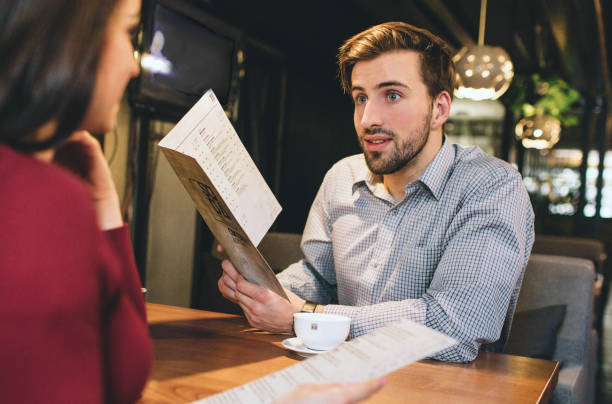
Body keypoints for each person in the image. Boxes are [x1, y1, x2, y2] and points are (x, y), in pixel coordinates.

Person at [0, 0, 384, 402]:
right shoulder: (45, 199)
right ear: (68, 40)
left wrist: (107, 213)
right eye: (129, 34)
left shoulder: (58, 194)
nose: (135, 65)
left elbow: (122, 372)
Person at [218, 22, 535, 363]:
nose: (368, 118)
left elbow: (455, 328)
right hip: (339, 375)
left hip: (435, 385)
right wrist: (267, 290)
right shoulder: (342, 176)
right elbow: (320, 276)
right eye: (361, 98)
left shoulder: (490, 186)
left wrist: (307, 316)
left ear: (439, 109)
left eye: (392, 95)